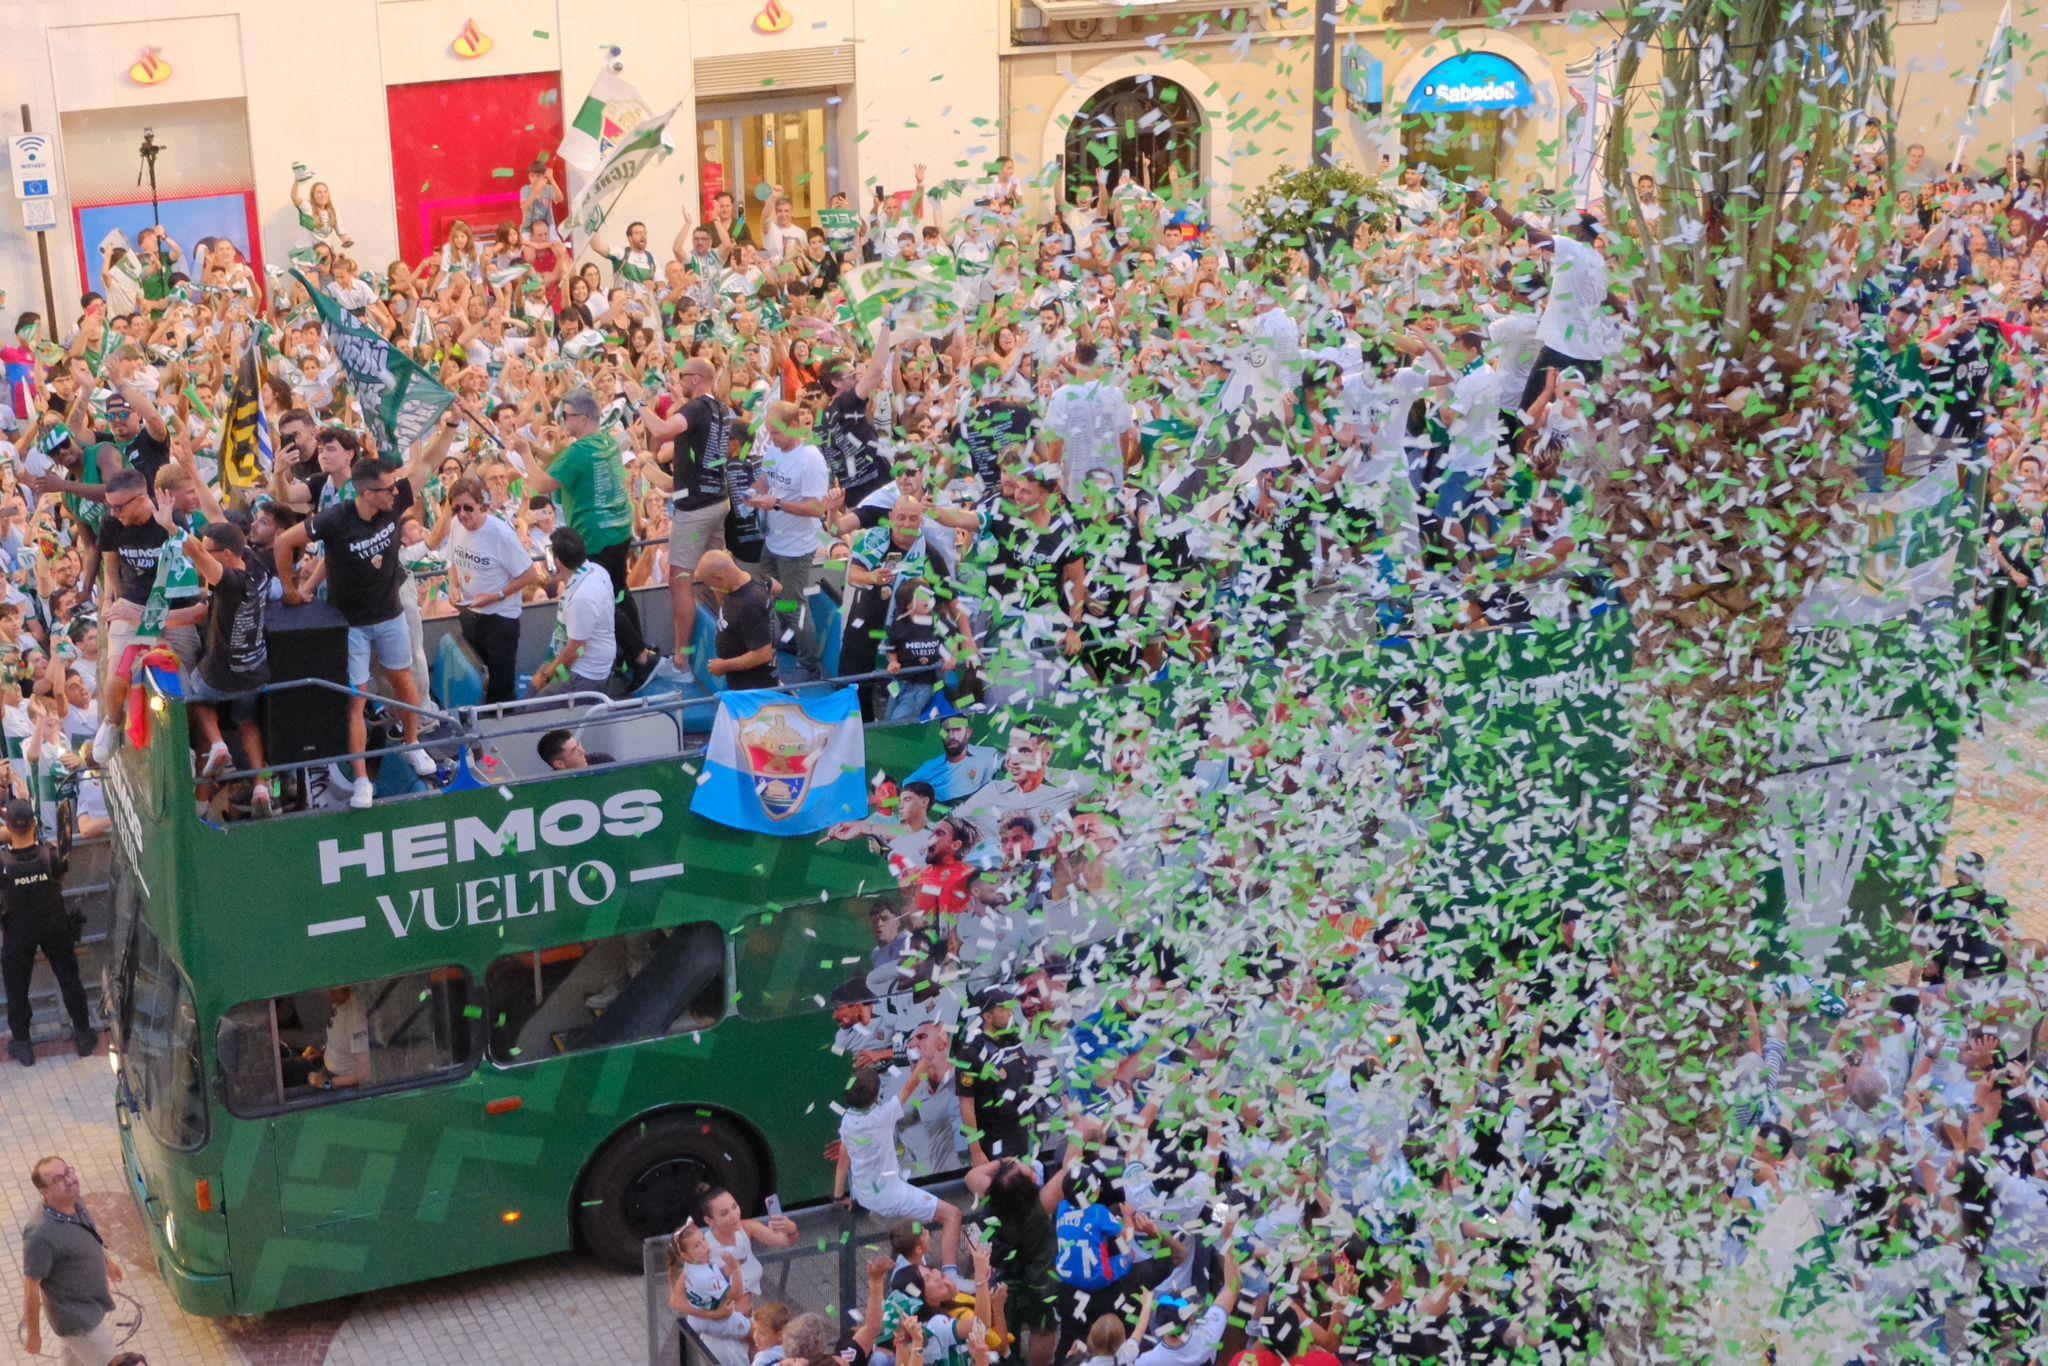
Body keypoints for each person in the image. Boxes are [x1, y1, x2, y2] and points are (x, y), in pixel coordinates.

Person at [273, 455, 440, 809]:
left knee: (405, 683)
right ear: (367, 494)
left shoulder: (394, 504)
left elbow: (429, 463)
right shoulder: (335, 519)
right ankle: (362, 779)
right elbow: (283, 543)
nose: (396, 493)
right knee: (356, 700)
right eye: (388, 489)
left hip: (391, 615)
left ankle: (412, 746)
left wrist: (452, 425)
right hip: (351, 625)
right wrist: (291, 589)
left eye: (396, 486)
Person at [524, 388, 657, 693]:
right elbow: (561, 459)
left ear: (582, 419)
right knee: (620, 592)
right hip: (618, 530)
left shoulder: (579, 452)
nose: (563, 420)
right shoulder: (605, 441)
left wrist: (522, 454)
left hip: (595, 537)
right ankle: (634, 653)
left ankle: (641, 659)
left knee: (609, 602)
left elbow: (542, 483)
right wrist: (533, 449)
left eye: (567, 415)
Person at [834, 1060, 966, 1273]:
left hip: (865, 1197)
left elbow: (843, 1158)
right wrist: (928, 1057)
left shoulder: (847, 1119)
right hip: (893, 1197)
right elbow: (910, 1086)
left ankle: (905, 1276)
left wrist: (839, 1195)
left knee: (910, 1240)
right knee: (953, 1215)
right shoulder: (883, 1115)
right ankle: (951, 1275)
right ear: (877, 1094)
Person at [181, 523, 272, 814]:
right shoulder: (256, 562)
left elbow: (194, 551)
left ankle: (218, 744)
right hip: (255, 669)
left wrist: (171, 524)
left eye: (211, 552)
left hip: (221, 673)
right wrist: (195, 476)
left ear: (228, 554)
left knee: (199, 698)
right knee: (249, 724)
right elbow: (217, 518)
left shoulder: (230, 583)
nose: (206, 556)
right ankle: (262, 785)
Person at [1, 797, 90, 1064]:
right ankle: (84, 1036)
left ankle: (23, 1045)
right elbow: (60, 876)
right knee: (69, 980)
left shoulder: (2, 864)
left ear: (7, 826)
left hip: (18, 931)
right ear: (35, 824)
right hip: (54, 926)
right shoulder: (50, 855)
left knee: (17, 989)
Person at [747, 403, 833, 678]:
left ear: (794, 425)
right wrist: (753, 493)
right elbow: (764, 480)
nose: (773, 439)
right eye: (770, 433)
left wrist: (777, 503)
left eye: (777, 432)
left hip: (796, 548)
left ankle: (809, 661)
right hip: (773, 541)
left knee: (795, 606)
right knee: (775, 596)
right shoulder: (774, 448)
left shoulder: (811, 460)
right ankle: (792, 642)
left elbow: (816, 508)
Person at [436, 475, 540, 704]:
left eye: (468, 508)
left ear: (480, 505)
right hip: (471, 612)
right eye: (456, 509)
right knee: (472, 675)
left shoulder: (501, 534)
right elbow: (454, 561)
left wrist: (496, 596)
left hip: (500, 618)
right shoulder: (456, 525)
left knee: (500, 684)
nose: (462, 514)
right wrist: (453, 585)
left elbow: (530, 574)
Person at [22, 1155, 123, 1364]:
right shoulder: (40, 1235)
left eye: (68, 1172)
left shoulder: (73, 1200)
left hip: (89, 1306)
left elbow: (87, 1232)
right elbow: (31, 1287)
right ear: (45, 1191)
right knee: (114, 1362)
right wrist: (34, 1335)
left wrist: (106, 1262)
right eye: (59, 1179)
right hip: (79, 1321)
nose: (70, 1180)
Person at [532, 527, 620, 698]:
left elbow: (575, 652)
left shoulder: (582, 597)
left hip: (581, 674)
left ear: (557, 562)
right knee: (531, 694)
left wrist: (545, 677)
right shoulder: (595, 570)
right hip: (571, 661)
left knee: (533, 714)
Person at [697, 549, 780, 691]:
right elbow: (778, 587)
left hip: (753, 686)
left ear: (720, 578)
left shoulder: (750, 605)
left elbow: (763, 654)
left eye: (711, 584)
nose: (711, 588)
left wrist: (724, 665)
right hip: (740, 680)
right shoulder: (751, 577)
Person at [536, 728, 614, 771]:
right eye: (574, 751)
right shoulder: (551, 789)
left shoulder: (603, 761)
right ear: (559, 764)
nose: (583, 751)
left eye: (578, 745)